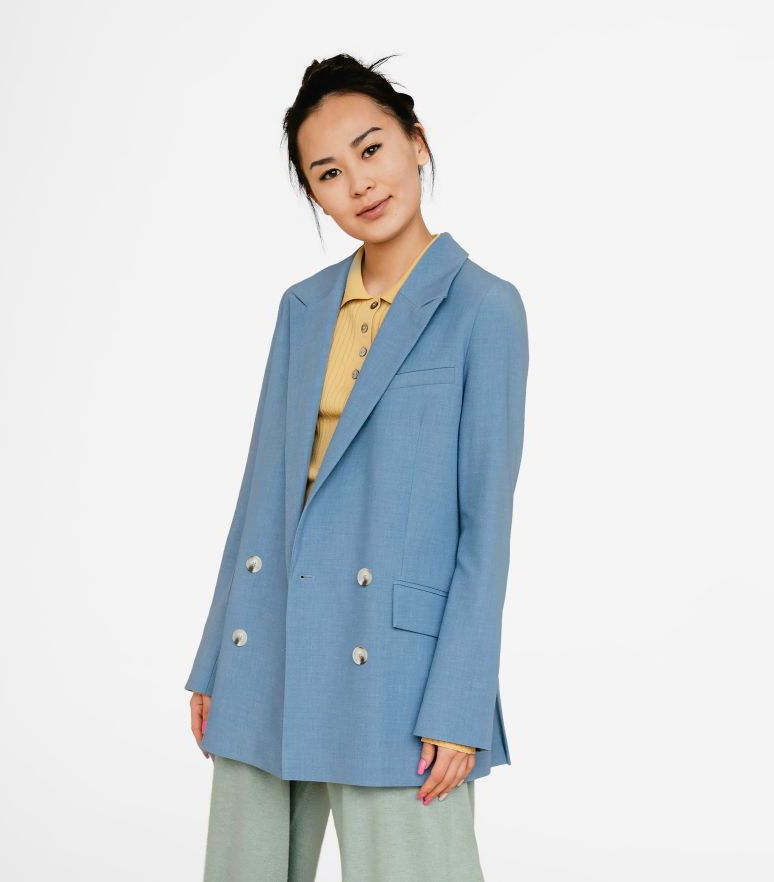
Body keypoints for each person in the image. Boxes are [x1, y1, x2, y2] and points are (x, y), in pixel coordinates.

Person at [185, 53, 530, 882]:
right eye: (328, 172)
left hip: (398, 670)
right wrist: (214, 658)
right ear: (315, 194)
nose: (359, 183)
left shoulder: (485, 308)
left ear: (417, 142)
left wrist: (459, 703)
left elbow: (486, 526)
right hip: (269, 641)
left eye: (371, 149)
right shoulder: (302, 308)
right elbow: (261, 492)